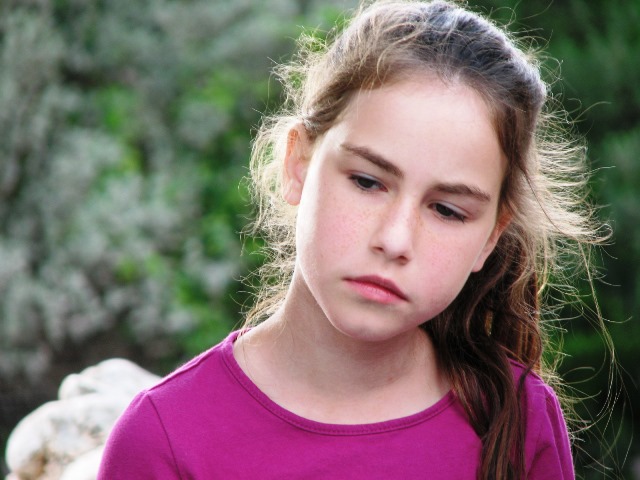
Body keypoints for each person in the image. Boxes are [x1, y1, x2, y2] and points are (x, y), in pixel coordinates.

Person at [98, 1, 607, 478]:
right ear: (297, 164)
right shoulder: (164, 439)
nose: (395, 239)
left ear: (490, 237)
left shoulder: (517, 419)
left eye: (447, 210)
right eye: (367, 182)